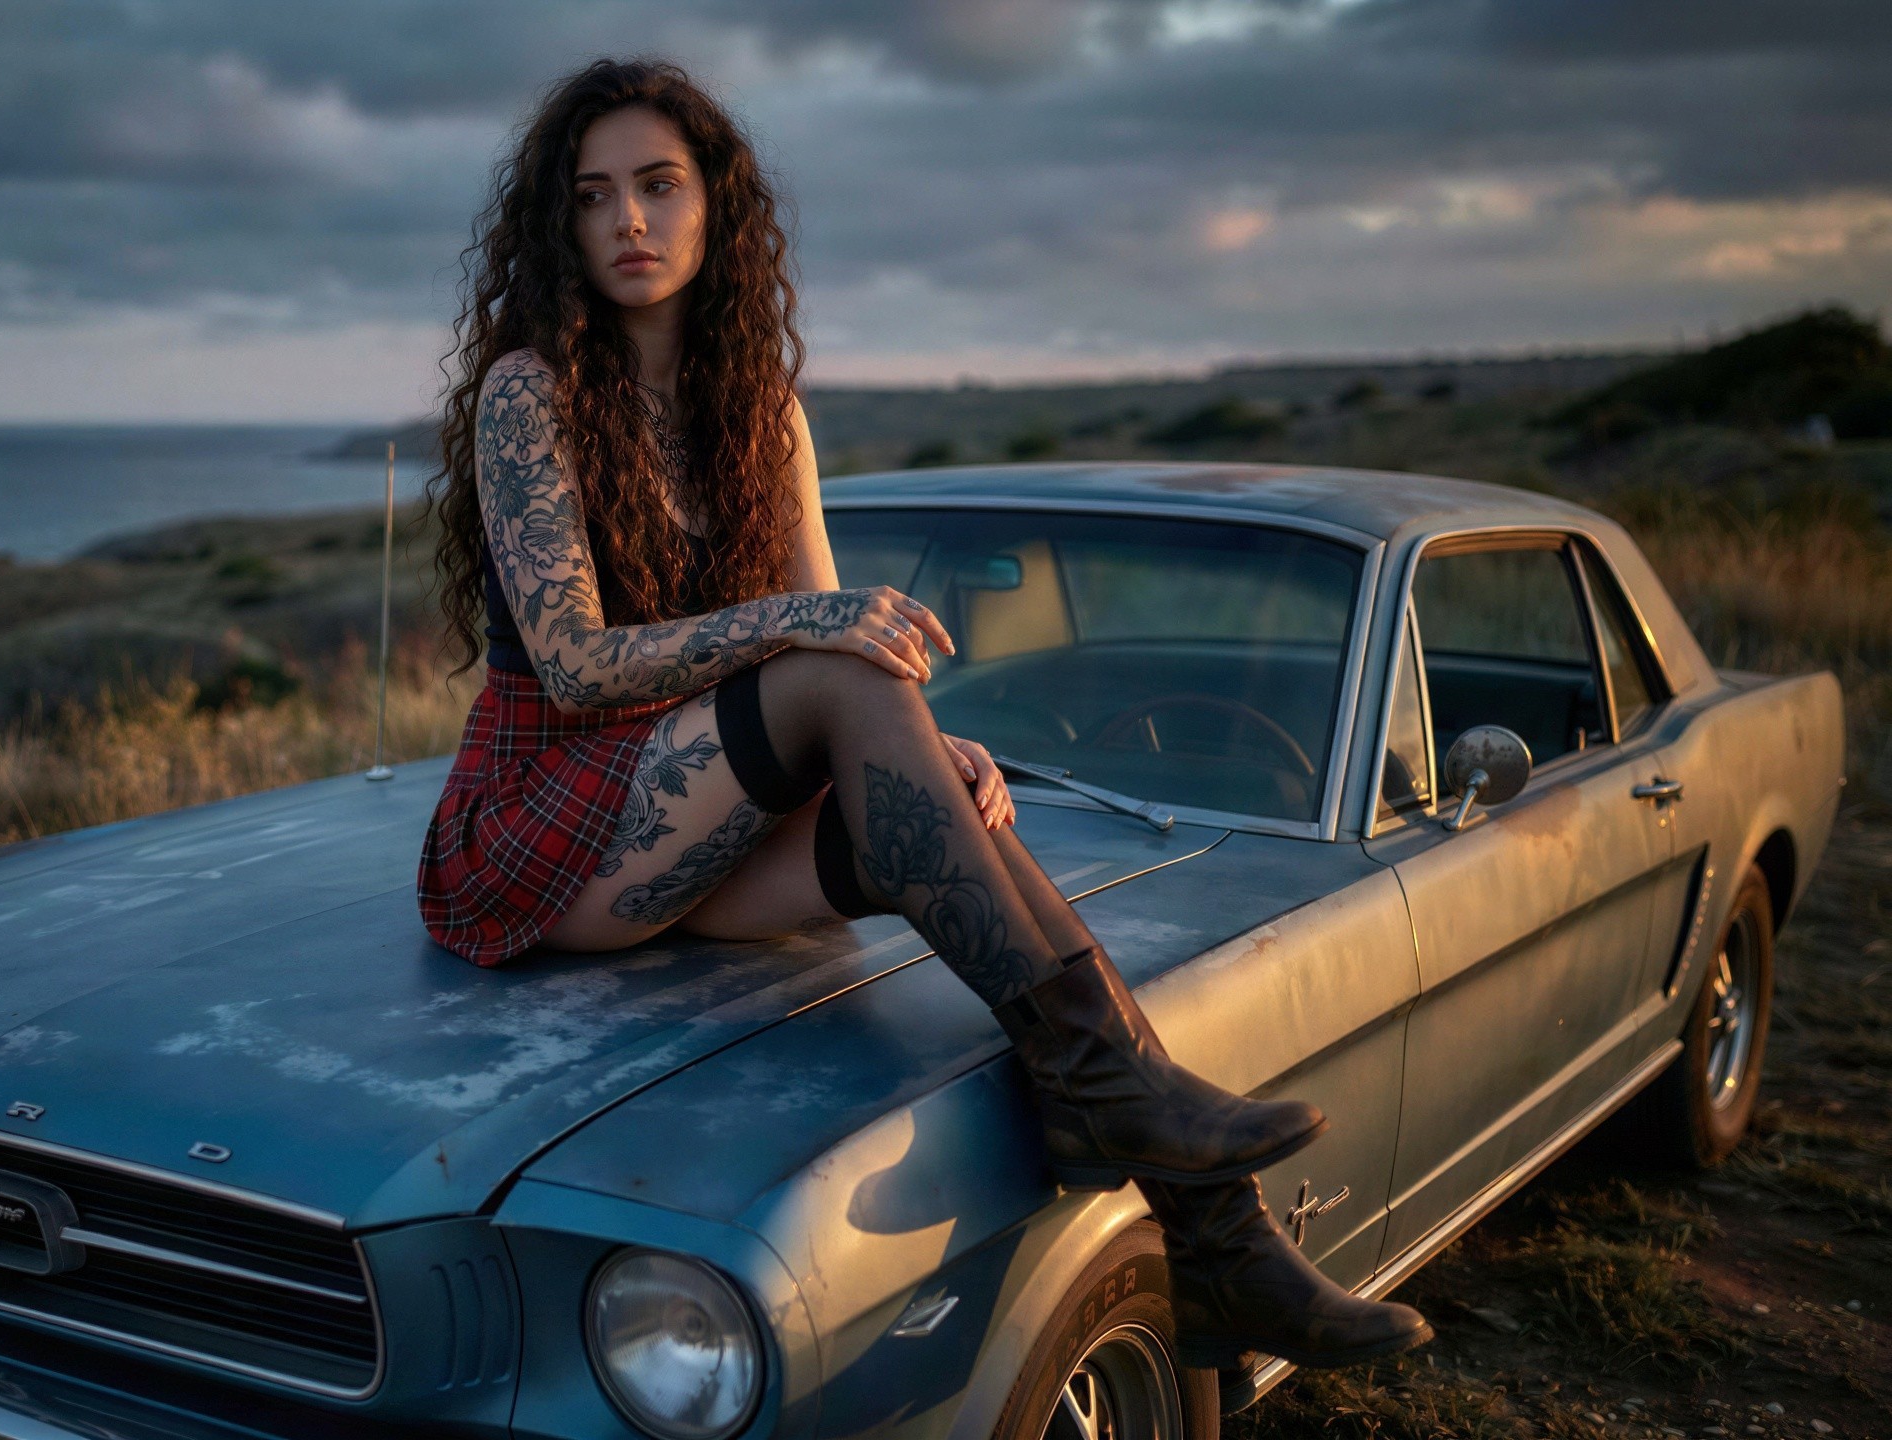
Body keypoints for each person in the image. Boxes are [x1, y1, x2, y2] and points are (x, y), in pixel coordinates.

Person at [416, 57, 1429, 1372]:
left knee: (945, 793)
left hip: (691, 843)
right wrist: (811, 638)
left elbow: (845, 642)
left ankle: (1220, 1239)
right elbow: (575, 664)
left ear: (716, 206)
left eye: (660, 187)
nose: (629, 222)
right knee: (843, 672)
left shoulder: (761, 413)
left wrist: (920, 745)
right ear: (561, 225)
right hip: (546, 834)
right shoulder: (530, 395)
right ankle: (1129, 1122)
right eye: (594, 195)